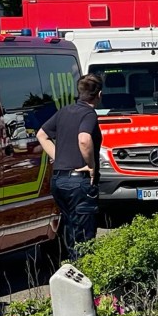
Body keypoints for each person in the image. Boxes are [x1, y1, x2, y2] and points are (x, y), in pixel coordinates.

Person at [37, 73, 103, 258]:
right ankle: (83, 277)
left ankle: (71, 274)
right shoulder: (89, 114)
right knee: (84, 237)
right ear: (99, 94)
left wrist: (60, 157)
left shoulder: (64, 111)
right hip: (79, 183)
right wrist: (90, 165)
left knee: (71, 232)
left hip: (59, 181)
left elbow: (41, 135)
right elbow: (84, 139)